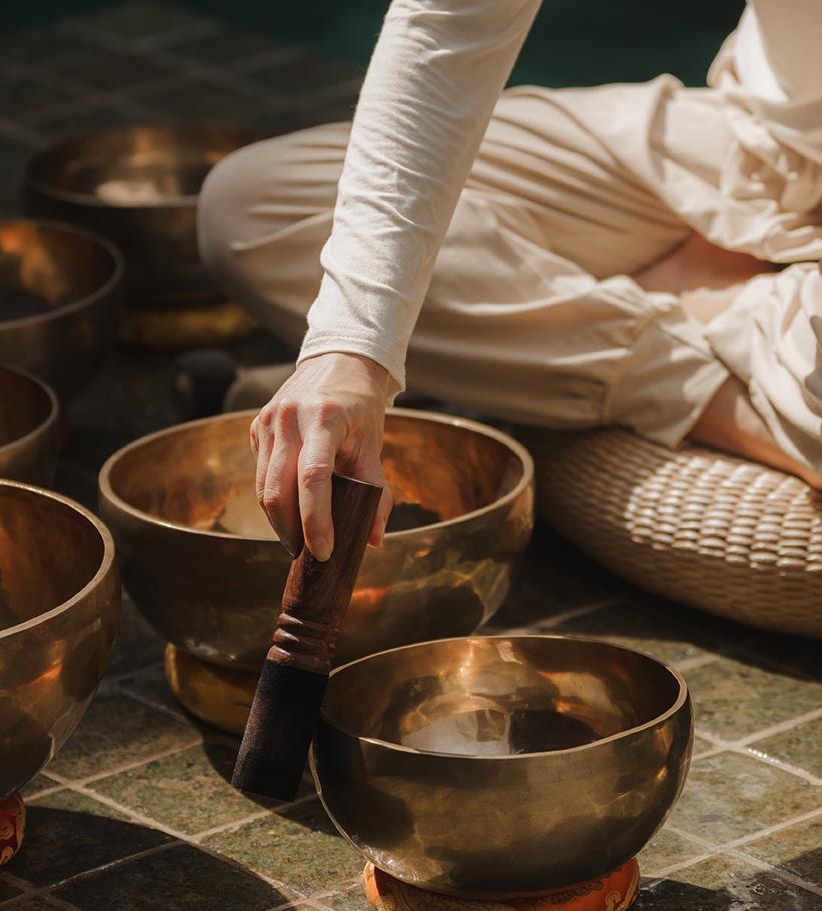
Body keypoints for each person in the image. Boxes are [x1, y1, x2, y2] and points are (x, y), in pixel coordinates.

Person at [196, 0, 822, 561]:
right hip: (761, 145)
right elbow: (445, 23)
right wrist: (351, 348)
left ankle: (696, 335)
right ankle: (692, 330)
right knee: (255, 208)